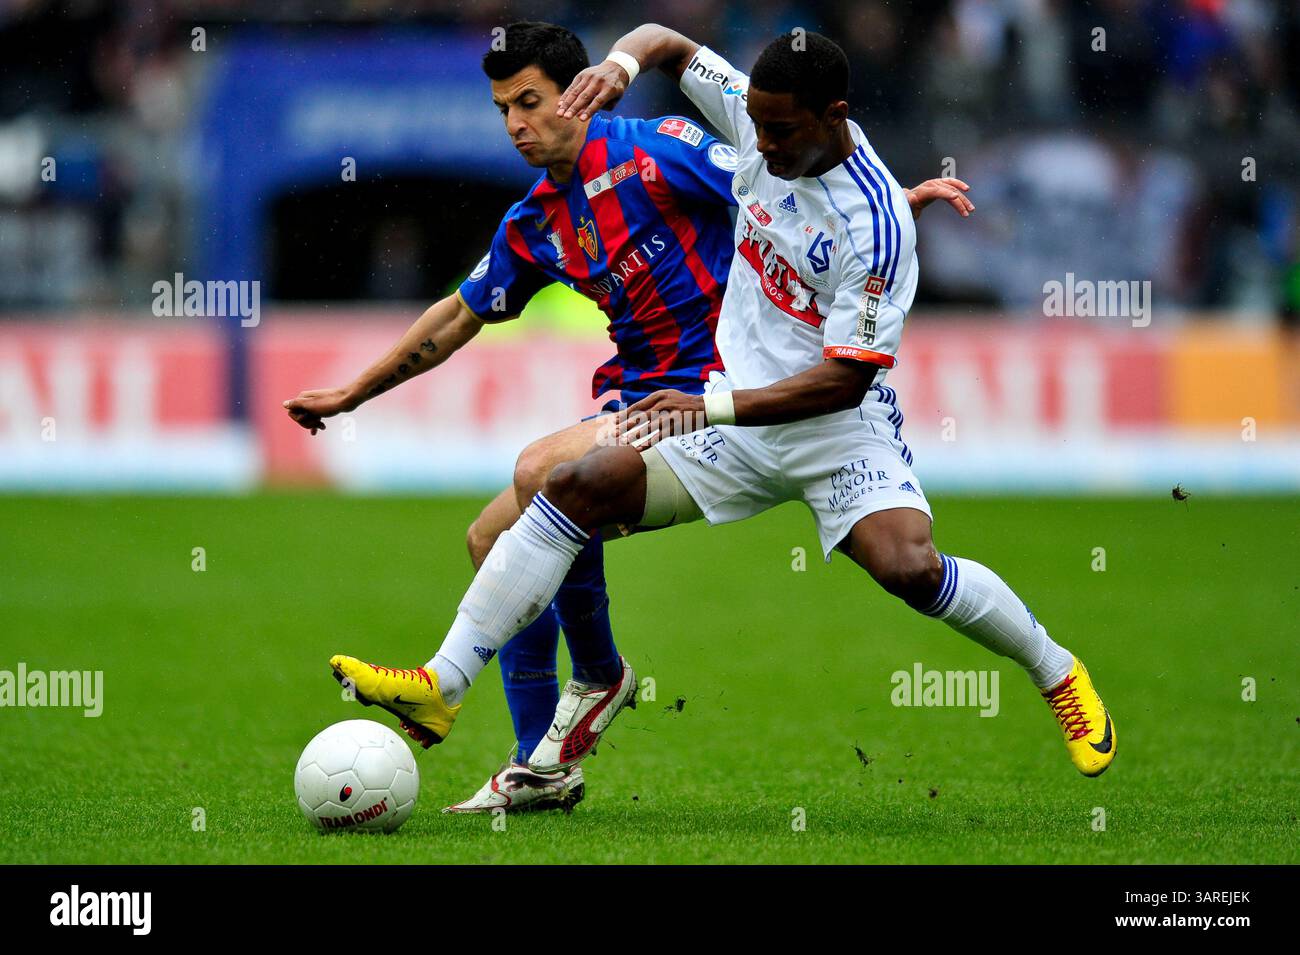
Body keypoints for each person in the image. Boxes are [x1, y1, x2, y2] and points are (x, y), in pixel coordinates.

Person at [319, 26, 1016, 807]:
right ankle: (540, 764)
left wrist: (884, 204)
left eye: (530, 101)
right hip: (640, 396)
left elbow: (778, 187)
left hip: (718, 383)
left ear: (577, 93)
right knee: (489, 536)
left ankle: (594, 674)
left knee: (538, 473)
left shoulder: (657, 150)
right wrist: (351, 394)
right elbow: (457, 316)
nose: (515, 123)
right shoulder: (535, 220)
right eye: (501, 109)